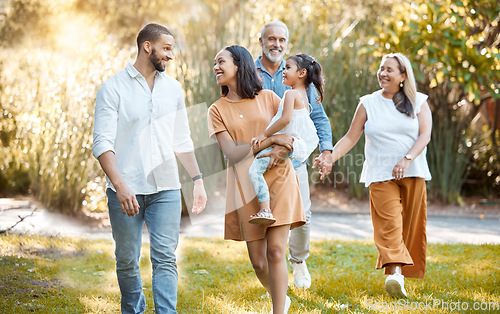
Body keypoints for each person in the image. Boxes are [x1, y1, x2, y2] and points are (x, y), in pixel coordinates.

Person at [92, 23, 207, 313]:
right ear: (147, 47)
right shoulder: (113, 88)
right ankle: (133, 310)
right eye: (166, 48)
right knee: (127, 260)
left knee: (165, 258)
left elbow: (182, 139)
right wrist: (120, 186)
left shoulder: (173, 88)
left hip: (166, 187)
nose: (170, 55)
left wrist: (198, 180)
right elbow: (102, 144)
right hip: (125, 189)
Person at [314, 53, 432, 298]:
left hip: (413, 171)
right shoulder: (368, 102)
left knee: (410, 226)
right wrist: (328, 158)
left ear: (402, 76)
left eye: (390, 69)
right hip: (380, 174)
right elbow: (350, 138)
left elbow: (425, 136)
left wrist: (407, 159)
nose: (383, 73)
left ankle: (398, 272)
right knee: (388, 224)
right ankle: (395, 275)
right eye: (381, 68)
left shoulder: (419, 101)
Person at [208, 45, 305, 313]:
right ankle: (280, 296)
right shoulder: (216, 110)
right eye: (215, 63)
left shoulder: (270, 97)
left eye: (221, 61)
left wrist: (285, 145)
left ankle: (278, 310)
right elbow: (232, 152)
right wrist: (270, 139)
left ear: (239, 64)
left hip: (280, 178)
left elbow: (294, 133)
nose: (215, 67)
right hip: (244, 186)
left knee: (275, 251)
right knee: (259, 262)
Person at [255, 20, 334, 289]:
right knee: (266, 214)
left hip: (295, 160)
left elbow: (318, 119)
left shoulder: (300, 79)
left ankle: (298, 261)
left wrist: (326, 150)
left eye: (282, 40)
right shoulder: (249, 73)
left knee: (303, 214)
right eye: (271, 39)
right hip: (263, 155)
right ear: (261, 41)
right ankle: (270, 269)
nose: (276, 44)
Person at [248, 53, 322, 225]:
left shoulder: (291, 94)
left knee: (254, 171)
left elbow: (285, 119)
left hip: (288, 142)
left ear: (302, 73)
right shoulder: (303, 94)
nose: (283, 70)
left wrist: (264, 135)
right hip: (294, 145)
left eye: (288, 67)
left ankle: (265, 209)